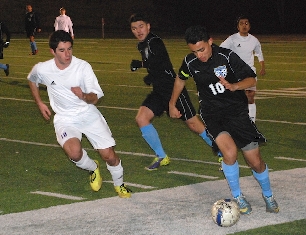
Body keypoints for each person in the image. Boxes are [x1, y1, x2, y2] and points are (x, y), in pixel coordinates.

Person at [169, 25, 279, 214]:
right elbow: (180, 79)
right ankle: (238, 196)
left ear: (210, 41)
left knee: (255, 162)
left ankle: (268, 194)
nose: (199, 55)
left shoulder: (226, 57)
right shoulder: (189, 62)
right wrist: (172, 103)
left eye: (202, 49)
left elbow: (251, 79)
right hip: (212, 114)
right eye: (194, 51)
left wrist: (235, 86)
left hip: (237, 113)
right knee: (229, 154)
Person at [27, 30, 131, 198]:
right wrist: (39, 102)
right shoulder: (43, 68)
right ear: (52, 51)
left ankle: (119, 185)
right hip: (64, 118)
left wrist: (83, 95)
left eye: (69, 49)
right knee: (75, 153)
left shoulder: (82, 67)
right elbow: (32, 79)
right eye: (62, 50)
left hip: (87, 113)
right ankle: (93, 168)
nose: (67, 54)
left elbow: (95, 97)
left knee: (109, 156)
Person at [129, 13, 221, 171]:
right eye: (134, 28)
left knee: (194, 124)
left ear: (148, 26)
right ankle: (161, 156)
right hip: (159, 90)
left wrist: (142, 64)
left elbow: (160, 60)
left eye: (141, 26)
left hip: (173, 89)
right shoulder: (142, 44)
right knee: (141, 118)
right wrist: (150, 75)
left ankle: (222, 152)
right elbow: (158, 66)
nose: (138, 31)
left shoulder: (154, 41)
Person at [220, 15, 265, 123]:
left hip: (249, 72)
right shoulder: (232, 39)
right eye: (241, 23)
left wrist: (262, 67)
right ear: (237, 27)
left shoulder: (254, 40)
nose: (244, 25)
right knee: (237, 98)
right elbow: (221, 50)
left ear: (249, 26)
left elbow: (259, 53)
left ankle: (252, 122)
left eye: (246, 23)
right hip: (235, 72)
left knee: (250, 95)